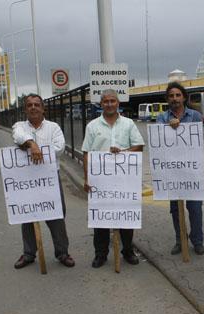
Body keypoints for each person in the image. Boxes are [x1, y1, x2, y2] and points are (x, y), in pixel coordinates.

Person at [82, 89, 144, 268]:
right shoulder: (92, 126)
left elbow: (139, 146)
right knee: (101, 217)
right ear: (101, 104)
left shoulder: (128, 124)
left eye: (112, 101)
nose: (109, 104)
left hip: (124, 180)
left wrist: (123, 152)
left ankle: (127, 251)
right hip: (100, 181)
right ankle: (101, 254)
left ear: (118, 103)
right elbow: (86, 153)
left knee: (125, 217)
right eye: (106, 101)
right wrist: (87, 178)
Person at [12, 93, 75, 269]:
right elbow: (17, 136)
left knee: (57, 214)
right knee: (27, 216)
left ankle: (62, 252)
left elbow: (59, 148)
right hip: (26, 180)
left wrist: (39, 152)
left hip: (50, 179)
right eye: (29, 105)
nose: (33, 108)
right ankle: (29, 253)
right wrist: (32, 144)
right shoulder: (20, 126)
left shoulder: (53, 127)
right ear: (25, 109)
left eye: (36, 105)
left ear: (43, 108)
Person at [156, 82, 204, 256]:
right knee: (176, 209)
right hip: (172, 171)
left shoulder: (195, 116)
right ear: (167, 99)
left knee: (195, 207)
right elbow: (159, 144)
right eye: (171, 96)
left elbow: (198, 143)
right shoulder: (161, 118)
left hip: (191, 171)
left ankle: (198, 241)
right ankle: (180, 240)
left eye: (177, 95)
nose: (174, 99)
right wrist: (169, 127)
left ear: (184, 97)